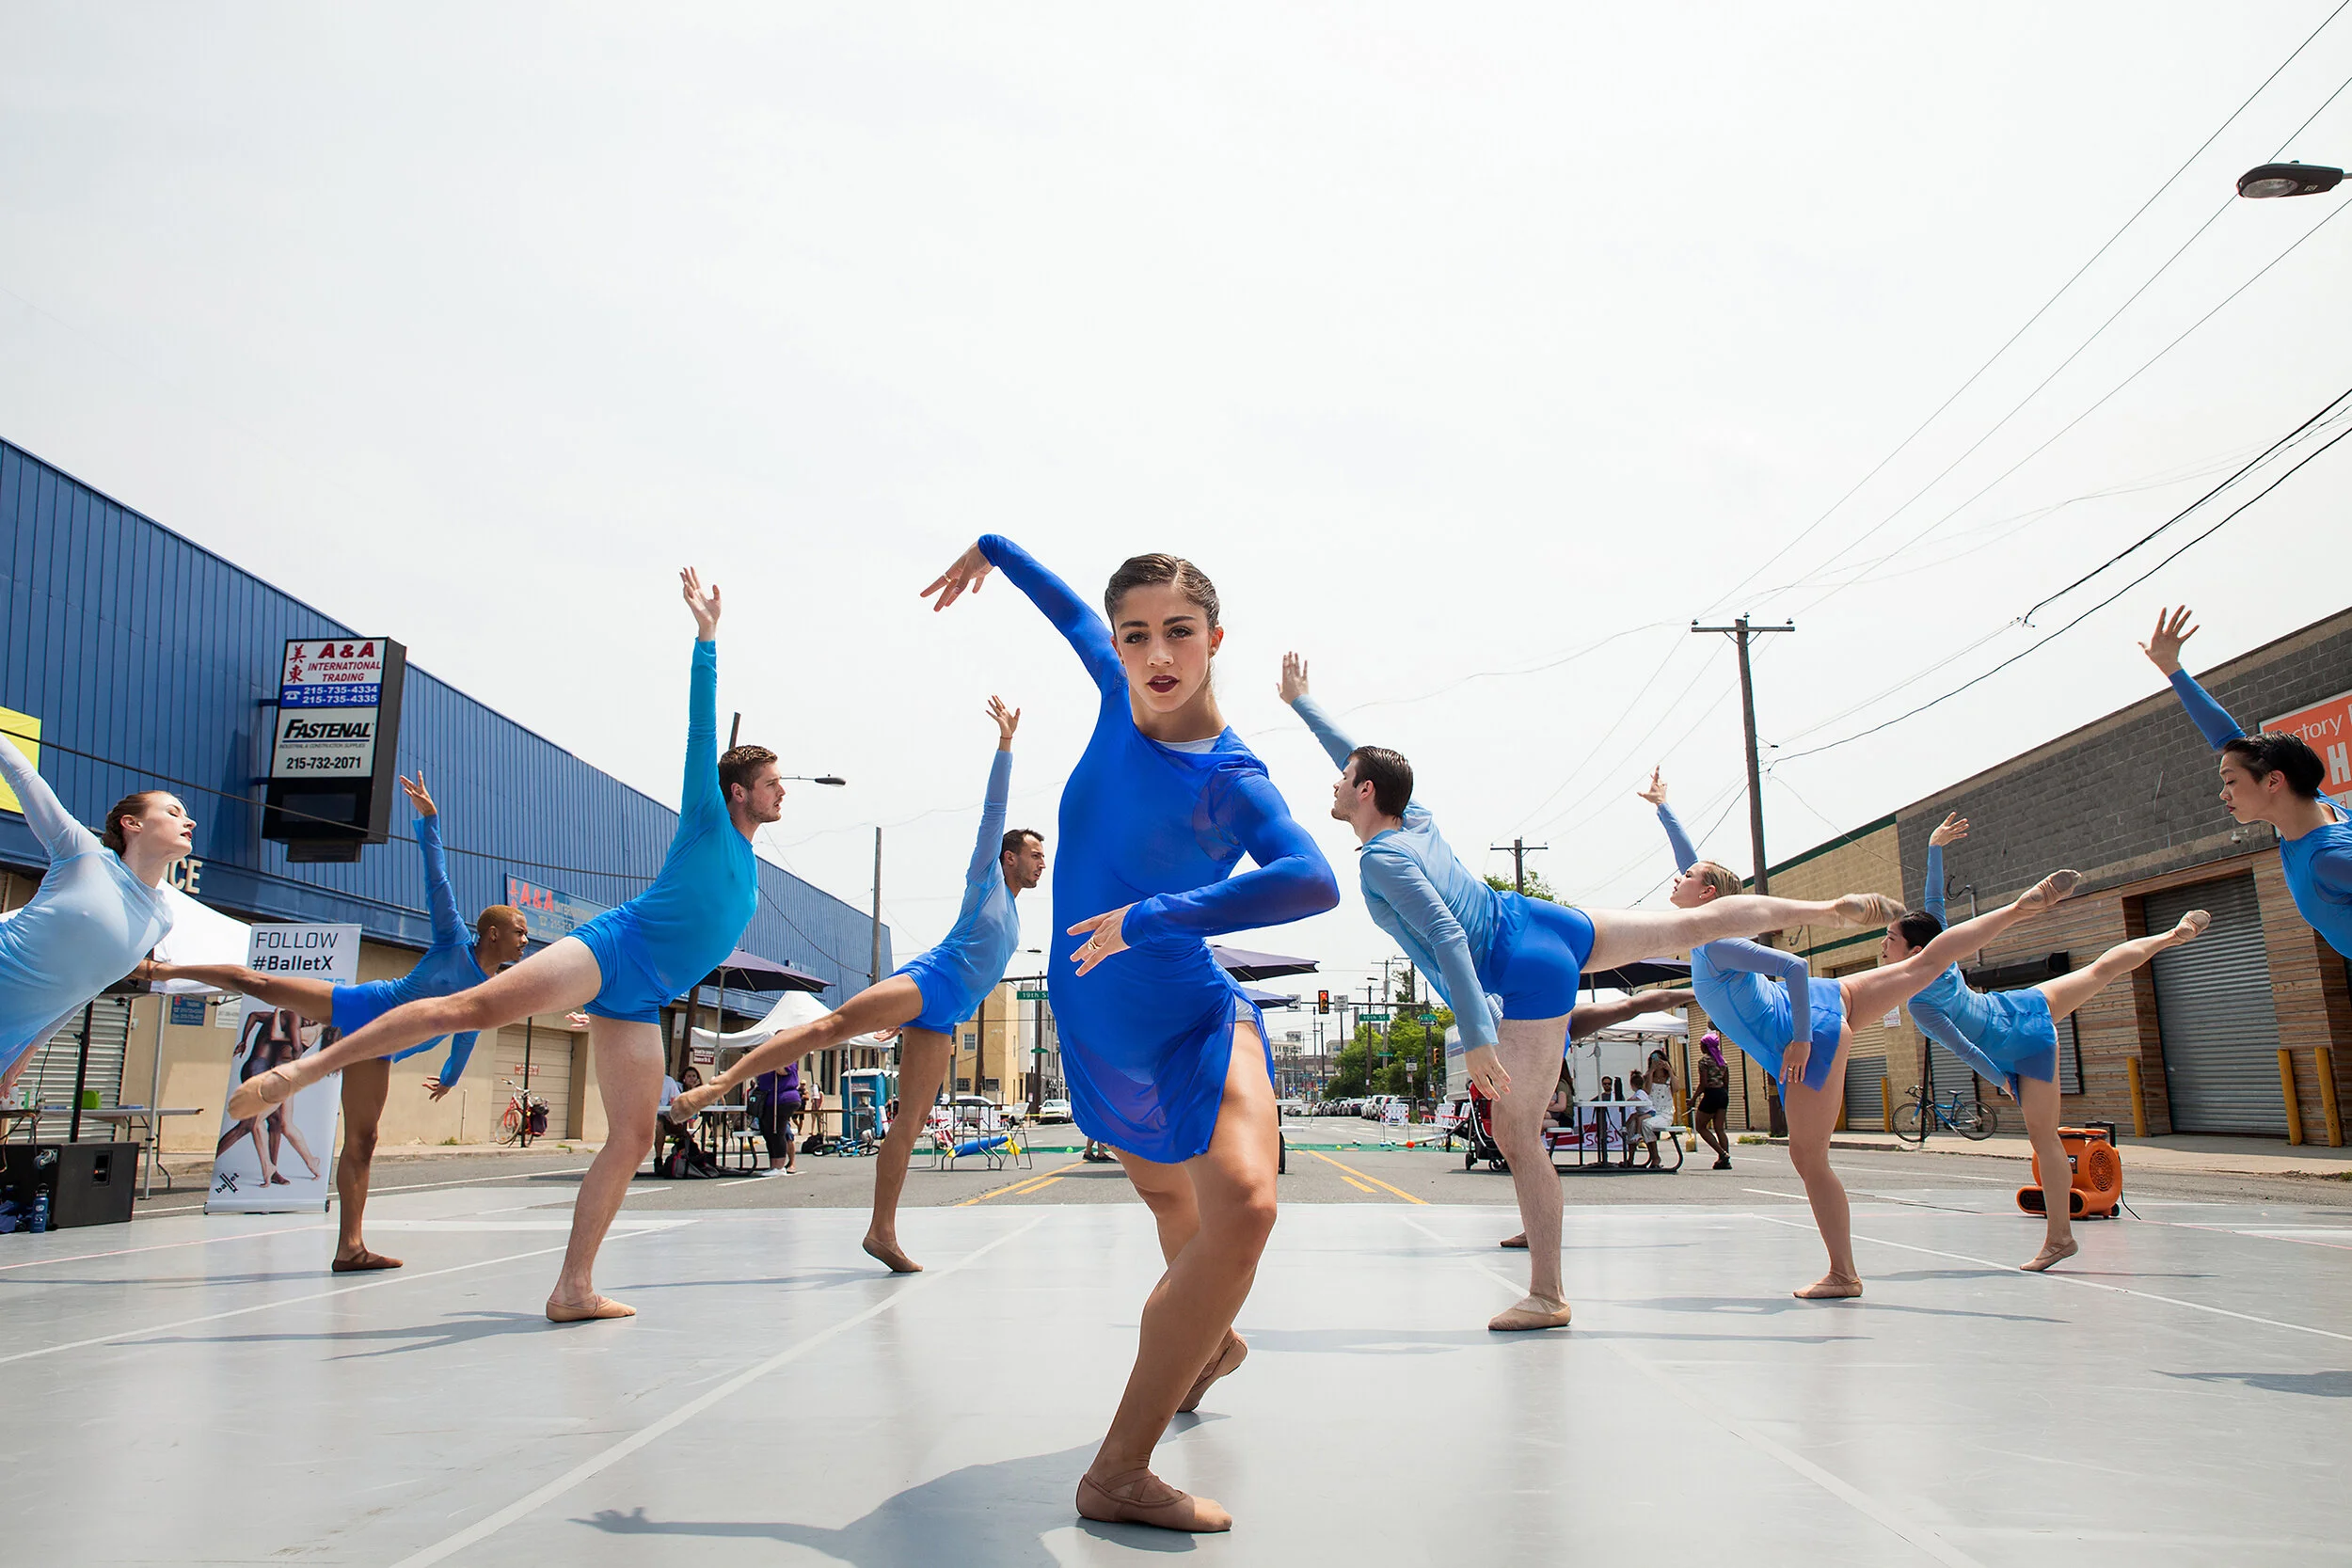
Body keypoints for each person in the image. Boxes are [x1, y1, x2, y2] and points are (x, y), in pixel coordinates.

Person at [1280, 654, 1902, 1332]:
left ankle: (1547, 1294)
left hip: (1523, 967)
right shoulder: (1415, 820)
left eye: (1344, 778)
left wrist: (1480, 1036)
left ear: (1366, 792)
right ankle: (1826, 909)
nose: (1334, 781)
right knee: (1690, 925)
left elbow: (1449, 938)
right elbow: (1358, 755)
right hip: (1547, 921)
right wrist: (1303, 703)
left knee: (1514, 1132)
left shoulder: (1384, 859)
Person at [230, 568, 781, 1323]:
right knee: (471, 1006)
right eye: (773, 781)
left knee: (631, 1138)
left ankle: (573, 1287)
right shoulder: (706, 816)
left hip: (645, 997)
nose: (782, 790)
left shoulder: (750, 861)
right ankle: (304, 1068)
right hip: (614, 949)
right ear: (738, 790)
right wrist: (707, 640)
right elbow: (699, 729)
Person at [926, 535, 1340, 1534]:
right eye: (1136, 634)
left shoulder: (1233, 778)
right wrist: (994, 550)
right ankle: (1209, 1344)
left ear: (1215, 639)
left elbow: (1311, 877)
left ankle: (1119, 1468)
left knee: (1242, 1207)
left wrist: (1157, 916)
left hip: (1192, 1014)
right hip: (1096, 1030)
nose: (1157, 654)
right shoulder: (1117, 690)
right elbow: (1069, 609)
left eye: (1179, 632)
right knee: (1170, 1204)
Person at [1647, 767, 2081, 1299]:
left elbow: (1794, 966)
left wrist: (1802, 1040)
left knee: (1808, 1159)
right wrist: (1664, 807)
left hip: (1806, 1031)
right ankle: (2019, 907)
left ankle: (1844, 1274)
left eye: (1688, 877)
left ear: (1708, 892)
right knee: (1928, 962)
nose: (1679, 878)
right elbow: (1690, 862)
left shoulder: (1716, 942)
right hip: (1835, 999)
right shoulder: (1709, 926)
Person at [669, 697, 1044, 1272]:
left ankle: (881, 1232)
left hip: (944, 1016)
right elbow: (994, 809)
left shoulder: (1015, 911)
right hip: (929, 982)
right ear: (1009, 857)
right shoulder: (985, 877)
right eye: (1035, 854)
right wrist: (1006, 746)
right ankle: (715, 1088)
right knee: (830, 1027)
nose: (1042, 863)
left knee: (909, 1126)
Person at [146, 772, 529, 1272]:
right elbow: (438, 880)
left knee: (364, 1141)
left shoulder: (490, 989)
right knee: (259, 983)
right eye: (519, 932)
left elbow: (464, 1034)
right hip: (362, 1006)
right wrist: (429, 822)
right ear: (493, 933)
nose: (525, 941)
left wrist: (451, 1079)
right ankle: (160, 969)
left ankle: (351, 1248)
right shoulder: (451, 940)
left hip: (378, 1047)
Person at [1894, 810, 2209, 1271]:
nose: (1884, 944)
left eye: (1889, 938)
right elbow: (1933, 903)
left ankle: (2060, 1239)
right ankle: (2171, 936)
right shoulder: (1942, 953)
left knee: (2046, 1143)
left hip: (2018, 1049)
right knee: (2099, 970)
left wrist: (2003, 1081)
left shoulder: (1919, 1003)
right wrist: (1934, 849)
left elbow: (1965, 1049)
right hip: (2022, 1007)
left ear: (1914, 950)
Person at [2142, 606, 2351, 958]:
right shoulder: (2318, 806)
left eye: (2231, 781)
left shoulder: (2327, 858)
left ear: (2273, 781)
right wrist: (2171, 668)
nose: (2223, 793)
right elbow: (2228, 738)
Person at [0, 730, 192, 1099]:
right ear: (132, 824)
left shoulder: (161, 919)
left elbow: (87, 987)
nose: (189, 822)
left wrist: (30, 1049)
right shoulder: (83, 853)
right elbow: (23, 775)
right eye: (173, 812)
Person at [748, 1061, 802, 1173]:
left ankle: (779, 1167)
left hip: (782, 1099)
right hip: (768, 1101)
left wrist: (774, 1059)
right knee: (768, 1133)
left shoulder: (787, 1059)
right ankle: (773, 1165)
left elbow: (783, 1071)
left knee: (777, 1132)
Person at [1692, 1032, 1733, 1169]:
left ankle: (1722, 1153)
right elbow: (1726, 1083)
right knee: (1719, 1128)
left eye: (1701, 1044)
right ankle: (1725, 1160)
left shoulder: (1704, 1062)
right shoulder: (1723, 1061)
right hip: (1722, 1094)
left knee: (1700, 1126)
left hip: (1711, 1094)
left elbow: (1703, 1084)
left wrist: (1693, 1099)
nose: (1700, 1046)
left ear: (1706, 1046)